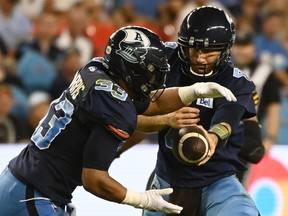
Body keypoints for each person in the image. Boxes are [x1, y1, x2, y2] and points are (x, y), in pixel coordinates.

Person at [0, 26, 236, 215]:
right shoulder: (116, 105)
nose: (155, 79)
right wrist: (141, 199)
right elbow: (94, 179)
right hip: (34, 193)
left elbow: (152, 104)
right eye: (151, 71)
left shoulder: (96, 69)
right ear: (130, 67)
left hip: (19, 180)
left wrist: (193, 91)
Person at [136, 6, 261, 216]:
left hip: (216, 180)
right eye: (194, 50)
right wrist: (168, 119)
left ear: (225, 50)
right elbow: (131, 116)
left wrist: (212, 138)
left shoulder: (237, 83)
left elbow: (225, 124)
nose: (200, 58)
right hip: (168, 178)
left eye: (209, 52)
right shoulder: (162, 60)